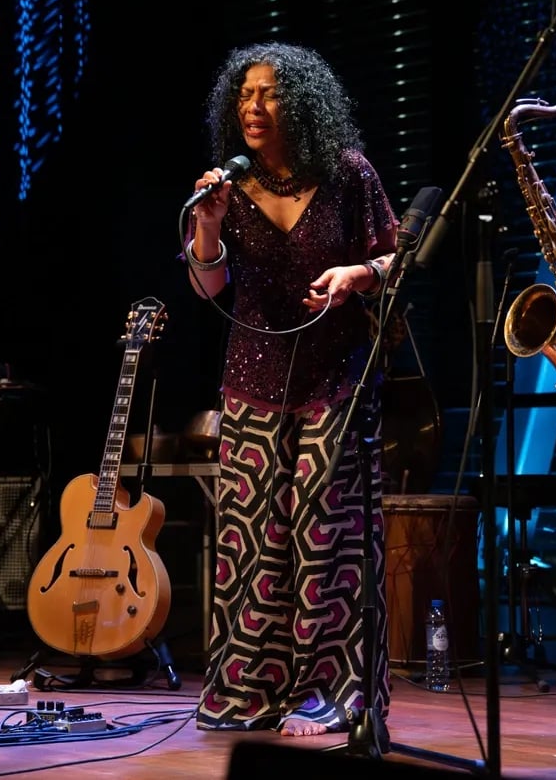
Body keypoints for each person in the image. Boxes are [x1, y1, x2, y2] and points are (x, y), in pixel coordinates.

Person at [184, 43, 400, 736]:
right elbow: (207, 285)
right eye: (245, 93)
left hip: (334, 378)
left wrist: (356, 275)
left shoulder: (347, 175)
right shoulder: (229, 188)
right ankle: (252, 687)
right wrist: (209, 226)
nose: (253, 105)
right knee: (254, 544)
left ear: (301, 102)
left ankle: (333, 691)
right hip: (252, 381)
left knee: (326, 536)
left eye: (270, 93)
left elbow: (400, 254)